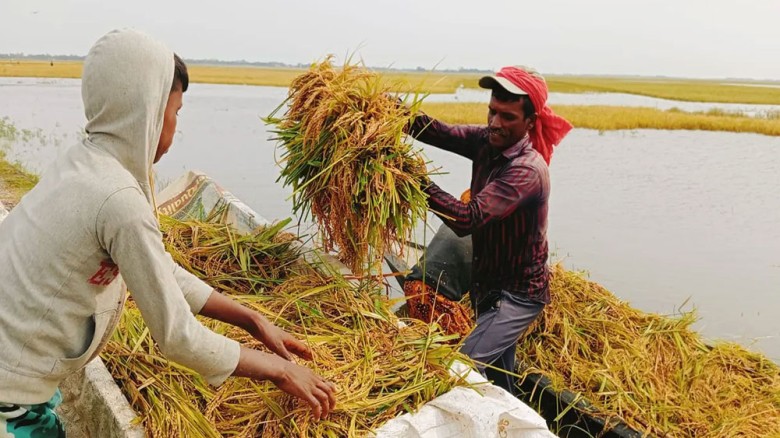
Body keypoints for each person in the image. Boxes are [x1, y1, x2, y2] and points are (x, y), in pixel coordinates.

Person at [0, 29, 336, 436]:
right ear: (147, 112)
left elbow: (161, 269)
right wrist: (281, 371)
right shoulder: (117, 198)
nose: (176, 125)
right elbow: (178, 337)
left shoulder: (83, 164)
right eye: (175, 111)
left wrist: (252, 320)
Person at [408, 66, 572, 394]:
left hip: (516, 295)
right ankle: (509, 415)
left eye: (508, 117)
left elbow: (466, 219)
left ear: (530, 122)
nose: (495, 123)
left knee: (460, 370)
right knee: (499, 377)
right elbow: (437, 131)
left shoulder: (527, 171)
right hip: (487, 287)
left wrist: (413, 178)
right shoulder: (486, 141)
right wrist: (387, 112)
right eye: (492, 111)